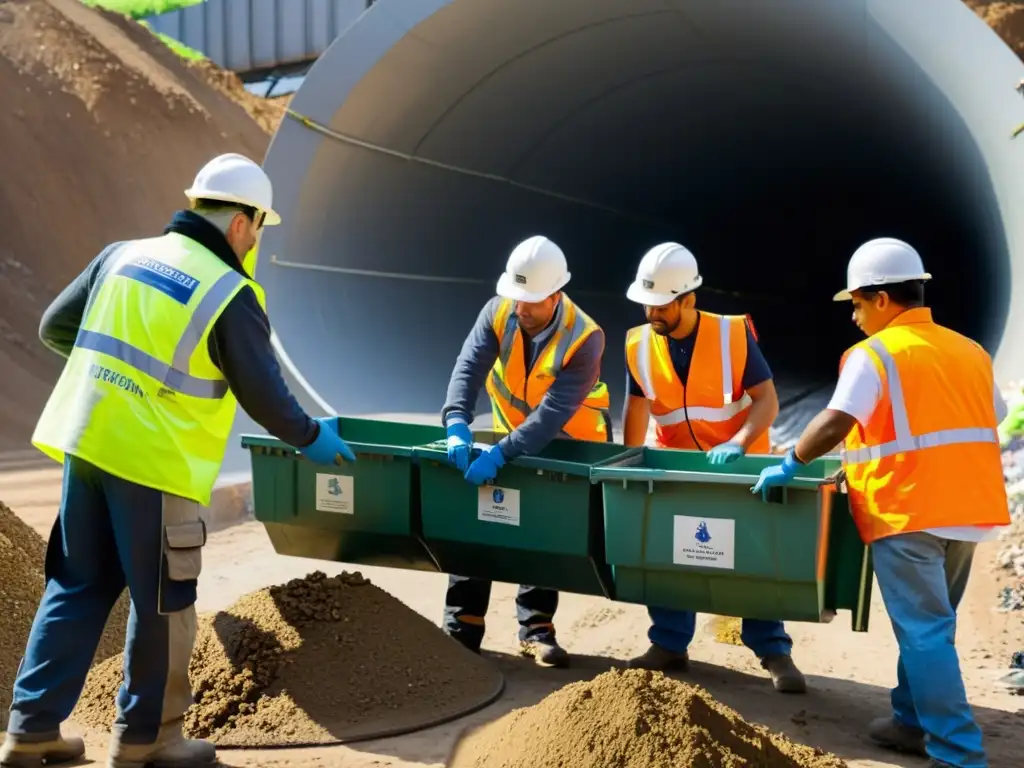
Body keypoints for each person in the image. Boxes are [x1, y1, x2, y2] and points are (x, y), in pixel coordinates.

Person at [0, 154, 356, 768]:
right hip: (155, 464)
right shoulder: (229, 292)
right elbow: (265, 394)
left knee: (76, 585)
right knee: (164, 600)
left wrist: (110, 380)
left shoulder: (120, 256)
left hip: (87, 446)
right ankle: (149, 738)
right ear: (243, 223)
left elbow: (56, 326)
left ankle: (29, 730)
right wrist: (309, 437)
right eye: (258, 233)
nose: (253, 246)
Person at [752, 237, 1010, 768]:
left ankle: (959, 752)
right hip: (968, 510)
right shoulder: (972, 352)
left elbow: (836, 420)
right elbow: (995, 415)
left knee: (924, 634)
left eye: (857, 304)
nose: (854, 317)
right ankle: (911, 722)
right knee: (933, 627)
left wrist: (790, 463)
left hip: (908, 511)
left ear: (883, 300)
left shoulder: (874, 356)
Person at [620, 242, 807, 694]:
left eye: (662, 305)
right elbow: (638, 405)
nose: (652, 313)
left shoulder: (732, 335)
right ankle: (668, 643)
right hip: (676, 465)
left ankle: (772, 649)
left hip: (741, 469)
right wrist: (626, 462)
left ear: (688, 299)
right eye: (647, 303)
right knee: (666, 554)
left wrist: (741, 443)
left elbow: (767, 400)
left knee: (754, 559)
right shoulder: (638, 343)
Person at [440, 235, 611, 668]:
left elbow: (552, 414)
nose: (520, 308)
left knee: (539, 530)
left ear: (556, 295)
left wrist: (500, 455)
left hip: (563, 439)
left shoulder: (585, 337)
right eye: (516, 298)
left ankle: (536, 629)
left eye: (531, 301)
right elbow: (468, 366)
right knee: (476, 522)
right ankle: (461, 630)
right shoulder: (500, 309)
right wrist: (457, 423)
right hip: (506, 427)